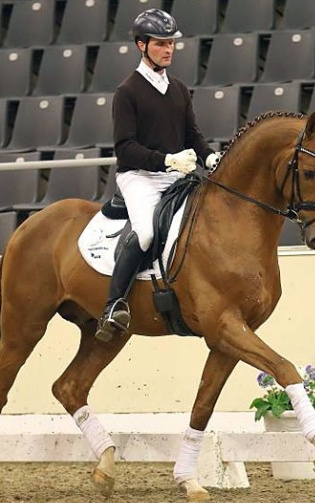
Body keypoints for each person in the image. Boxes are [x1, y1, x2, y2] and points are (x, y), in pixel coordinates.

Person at [95, 8, 221, 343]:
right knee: (148, 232)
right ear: (141, 45)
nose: (168, 49)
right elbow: (125, 148)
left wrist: (209, 157)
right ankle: (114, 305)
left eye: (171, 44)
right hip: (139, 176)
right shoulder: (128, 91)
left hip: (176, 172)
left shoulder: (178, 88)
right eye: (161, 43)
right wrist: (166, 160)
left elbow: (192, 133)